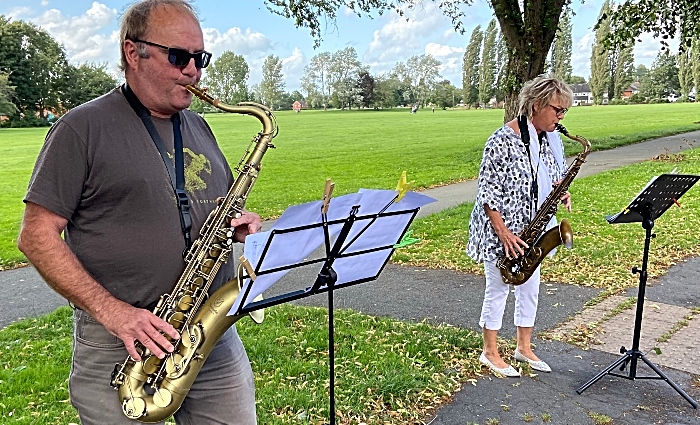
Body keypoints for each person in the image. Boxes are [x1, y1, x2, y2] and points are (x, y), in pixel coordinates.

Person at [17, 0, 260, 423]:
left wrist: (241, 226)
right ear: (134, 52)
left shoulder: (199, 126)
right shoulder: (81, 128)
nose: (194, 71)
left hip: (207, 334)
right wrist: (115, 314)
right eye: (179, 56)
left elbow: (212, 206)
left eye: (200, 58)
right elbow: (35, 235)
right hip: (122, 343)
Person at [466, 74, 573, 377]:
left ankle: (523, 348)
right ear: (536, 105)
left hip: (533, 230)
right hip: (501, 230)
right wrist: (504, 233)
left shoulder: (546, 140)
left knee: (530, 289)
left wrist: (560, 190)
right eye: (557, 110)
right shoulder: (501, 140)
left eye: (564, 111)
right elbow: (488, 194)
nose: (561, 117)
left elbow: (550, 175)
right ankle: (489, 351)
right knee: (498, 288)